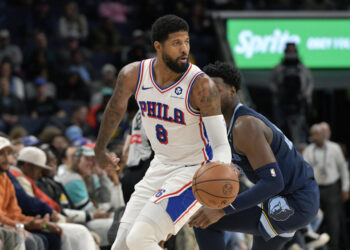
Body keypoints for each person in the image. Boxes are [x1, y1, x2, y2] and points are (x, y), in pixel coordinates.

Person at [94, 14, 231, 250]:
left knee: (140, 240)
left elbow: (220, 145)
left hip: (195, 172)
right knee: (121, 246)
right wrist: (100, 148)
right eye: (176, 43)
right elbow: (115, 109)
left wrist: (218, 175)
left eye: (186, 42)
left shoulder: (201, 85)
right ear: (158, 46)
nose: (184, 49)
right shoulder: (133, 74)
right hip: (160, 166)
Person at [188, 61, 319, 250]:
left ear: (232, 91)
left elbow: (274, 182)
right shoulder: (221, 126)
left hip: (294, 199)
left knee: (207, 219)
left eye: (215, 89)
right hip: (280, 197)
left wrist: (223, 210)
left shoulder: (245, 125)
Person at [303, 123, 349, 250]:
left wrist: (345, 187)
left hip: (332, 188)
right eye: (312, 135)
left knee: (334, 222)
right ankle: (317, 246)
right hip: (316, 189)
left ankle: (334, 247)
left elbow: (343, 169)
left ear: (323, 134)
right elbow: (305, 172)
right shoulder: (308, 150)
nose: (314, 137)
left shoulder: (334, 148)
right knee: (314, 218)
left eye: (316, 134)